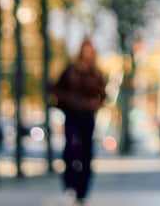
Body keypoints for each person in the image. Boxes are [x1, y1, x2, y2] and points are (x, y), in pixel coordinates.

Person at [51, 38, 106, 205]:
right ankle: (70, 184)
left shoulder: (96, 73)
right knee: (71, 149)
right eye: (85, 50)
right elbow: (57, 89)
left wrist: (94, 103)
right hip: (72, 114)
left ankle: (82, 190)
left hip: (87, 115)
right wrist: (68, 101)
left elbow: (103, 94)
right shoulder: (70, 70)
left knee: (86, 152)